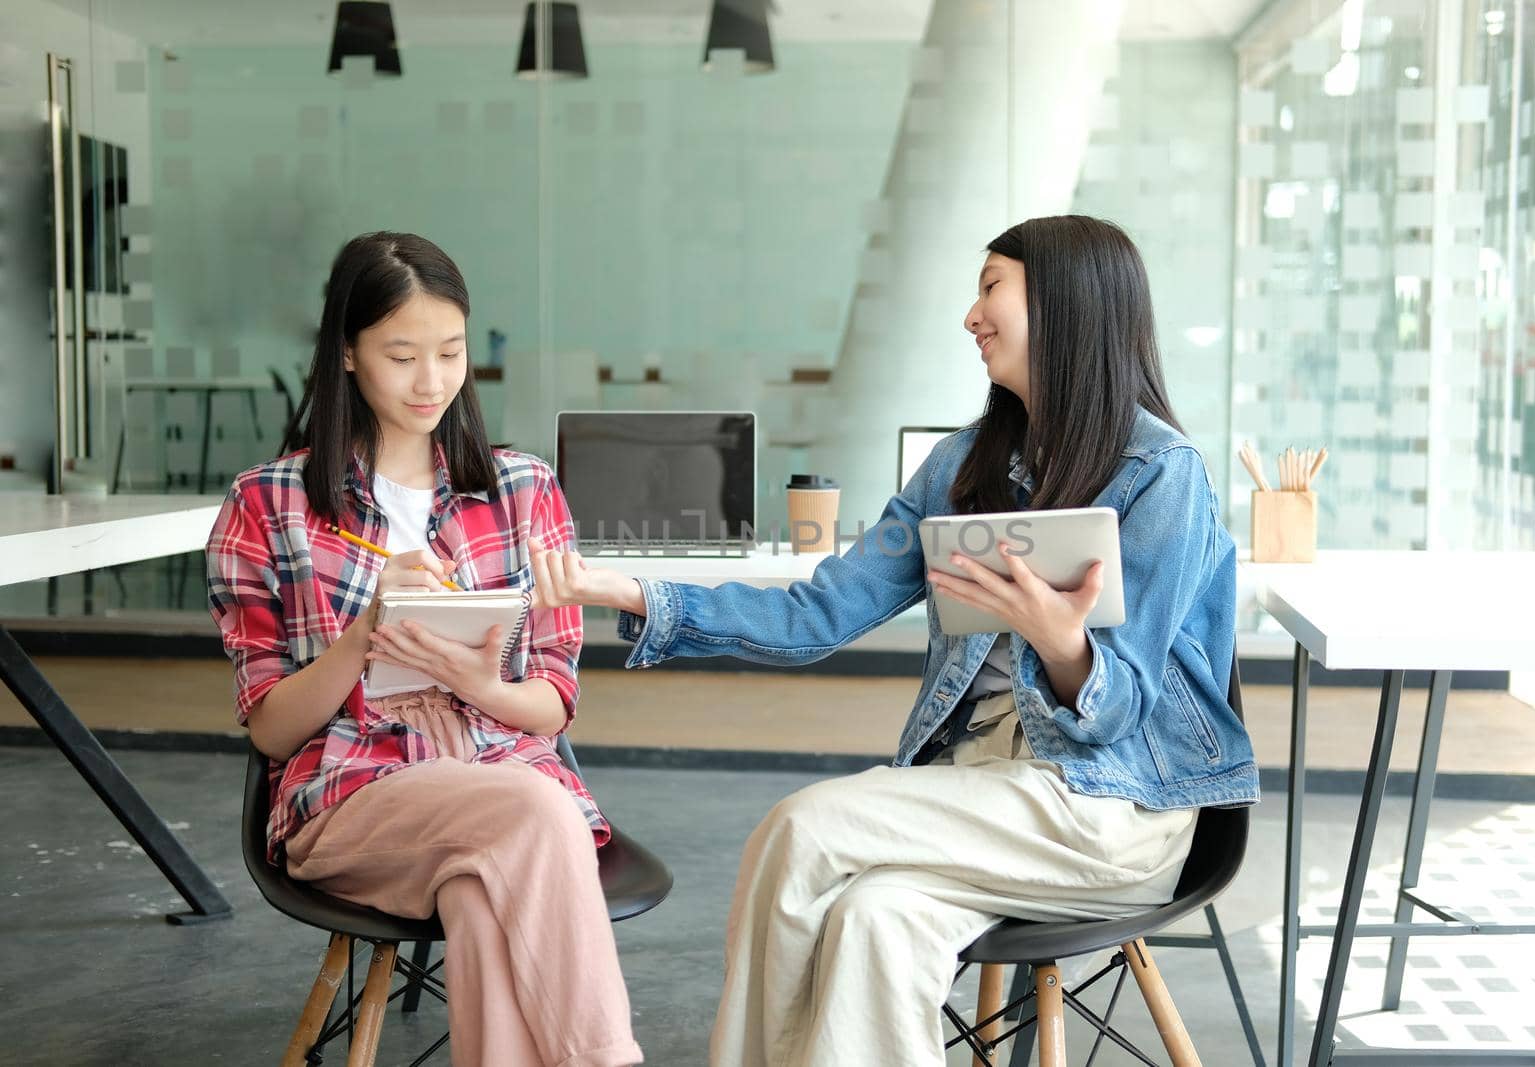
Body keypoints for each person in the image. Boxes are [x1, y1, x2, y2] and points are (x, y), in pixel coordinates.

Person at [528, 215, 1259, 1066]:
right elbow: (819, 614)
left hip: (1108, 803)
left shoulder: (1162, 474)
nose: (971, 315)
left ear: (1066, 305)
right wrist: (630, 591)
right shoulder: (959, 467)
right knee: (876, 919)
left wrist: (1066, 647)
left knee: (802, 829)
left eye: (992, 287)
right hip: (974, 792)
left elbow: (1120, 707)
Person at [205, 231, 641, 1067]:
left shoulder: (522, 489)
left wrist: (481, 680)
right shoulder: (267, 504)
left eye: (451, 351)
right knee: (535, 809)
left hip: (499, 762)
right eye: (403, 355)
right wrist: (364, 637)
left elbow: (551, 696)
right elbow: (269, 729)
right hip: (355, 786)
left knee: (482, 900)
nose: (432, 380)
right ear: (347, 354)